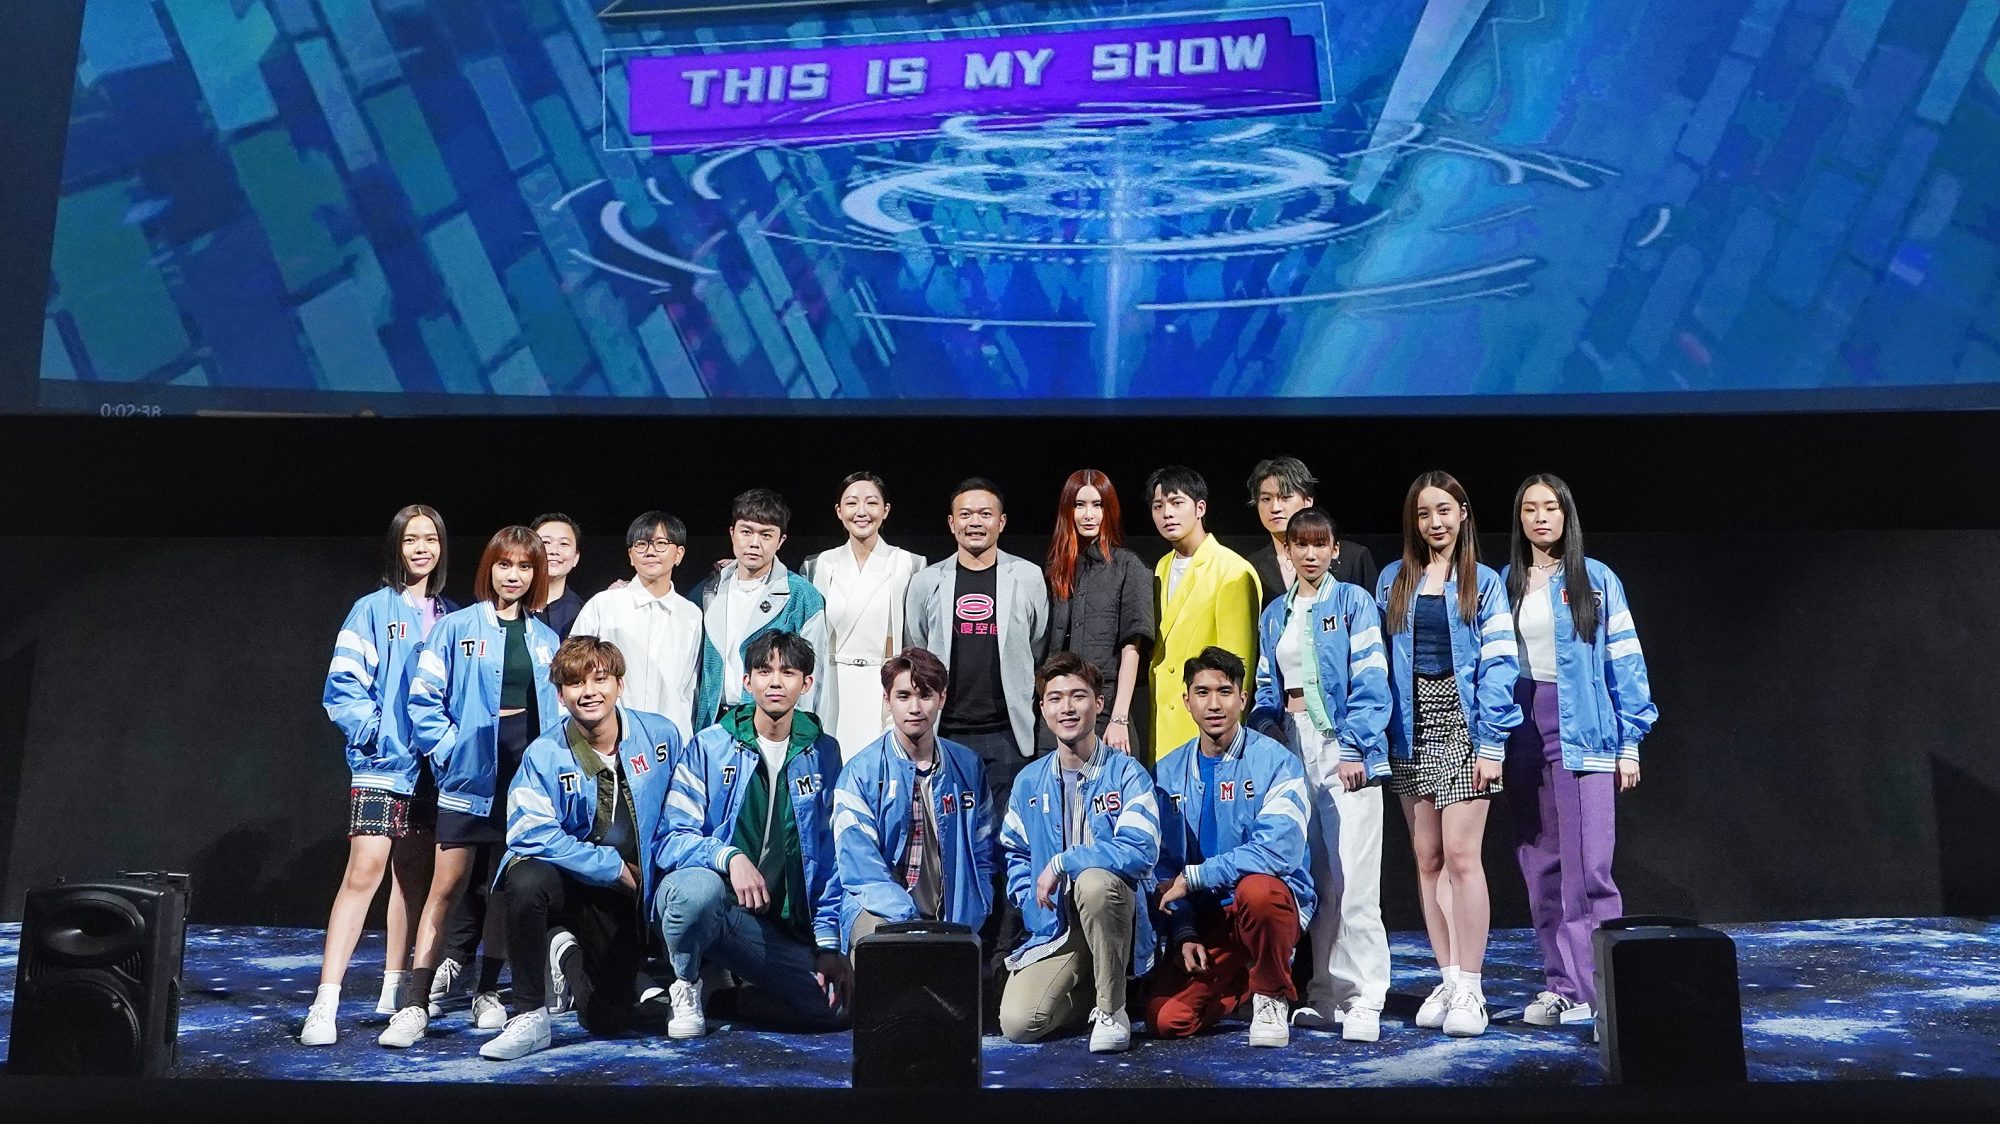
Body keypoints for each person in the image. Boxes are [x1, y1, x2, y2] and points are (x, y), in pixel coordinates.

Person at [380, 527, 563, 1048]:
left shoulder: (546, 638)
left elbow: (557, 716)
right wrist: (450, 751)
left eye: (524, 567)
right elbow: (423, 699)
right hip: (469, 771)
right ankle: (414, 1004)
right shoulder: (455, 627)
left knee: (503, 888)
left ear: (536, 575)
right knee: (446, 887)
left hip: (524, 775)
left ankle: (487, 992)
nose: (514, 575)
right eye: (505, 565)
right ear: (490, 568)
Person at [478, 636, 685, 1060]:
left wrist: (654, 872)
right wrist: (612, 867)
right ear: (560, 695)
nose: (589, 692)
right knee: (525, 879)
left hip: (622, 894)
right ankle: (530, 1015)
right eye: (575, 683)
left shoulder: (660, 736)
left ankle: (564, 951)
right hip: (568, 880)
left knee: (607, 1019)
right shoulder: (544, 753)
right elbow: (530, 833)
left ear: (619, 685)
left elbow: (681, 812)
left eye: (600, 680)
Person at [1501, 474, 1658, 1028]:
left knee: (1589, 869)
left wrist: (1629, 742)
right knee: (1541, 865)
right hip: (1524, 729)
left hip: (1585, 731)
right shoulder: (1506, 583)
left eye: (1550, 507)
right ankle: (1562, 987)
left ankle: (1604, 998)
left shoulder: (1596, 579)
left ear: (1566, 515)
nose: (1540, 517)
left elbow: (1624, 659)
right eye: (1529, 509)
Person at [1375, 472, 1522, 1039]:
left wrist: (1492, 742)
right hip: (1410, 730)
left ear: (1462, 513)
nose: (1434, 522)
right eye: (1423, 514)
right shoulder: (1394, 579)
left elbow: (1500, 664)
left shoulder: (1484, 582)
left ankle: (1472, 986)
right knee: (1427, 857)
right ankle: (1448, 975)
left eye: (1443, 510)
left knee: (1462, 856)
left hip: (1464, 727)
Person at [301, 505, 452, 1046]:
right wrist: (378, 735)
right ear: (396, 547)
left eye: (430, 538)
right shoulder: (370, 609)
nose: (421, 548)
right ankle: (325, 1002)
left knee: (413, 875)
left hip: (434, 770)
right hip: (382, 766)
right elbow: (342, 686)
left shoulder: (453, 617)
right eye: (410, 539)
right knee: (364, 871)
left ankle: (395, 987)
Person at [653, 631, 849, 1038]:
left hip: (766, 926)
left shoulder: (824, 753)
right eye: (764, 671)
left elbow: (830, 858)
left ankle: (725, 999)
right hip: (713, 904)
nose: (775, 682)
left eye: (788, 672)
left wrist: (828, 944)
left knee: (831, 1011)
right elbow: (671, 838)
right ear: (747, 682)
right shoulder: (710, 745)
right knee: (696, 893)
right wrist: (729, 857)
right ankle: (686, 983)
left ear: (807, 684)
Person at [1249, 508, 1393, 1043]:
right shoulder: (1275, 614)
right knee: (1317, 879)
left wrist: (1355, 747)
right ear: (1287, 551)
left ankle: (1364, 998)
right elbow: (1266, 688)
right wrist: (1268, 738)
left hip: (1343, 745)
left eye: (1319, 544)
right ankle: (1324, 994)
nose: (1309, 553)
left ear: (1335, 550)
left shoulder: (1354, 602)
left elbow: (1372, 681)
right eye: (1299, 545)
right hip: (1293, 745)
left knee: (1355, 879)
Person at [1148, 647, 1314, 1048]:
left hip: (1264, 908)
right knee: (1166, 1020)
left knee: (1258, 890)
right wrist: (1184, 930)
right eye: (1202, 693)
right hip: (1209, 920)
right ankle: (1240, 983)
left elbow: (1278, 852)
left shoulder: (1278, 762)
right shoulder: (1166, 773)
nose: (1214, 704)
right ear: (1186, 701)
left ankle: (1271, 993)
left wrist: (1197, 876)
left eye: (1224, 692)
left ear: (1243, 698)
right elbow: (1162, 871)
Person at [997, 652, 1160, 1053]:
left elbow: (1140, 850)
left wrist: (1063, 862)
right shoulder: (1029, 781)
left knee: (1092, 882)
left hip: (1115, 916)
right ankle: (1092, 993)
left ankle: (1112, 1010)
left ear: (1099, 704)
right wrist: (1030, 900)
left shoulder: (1127, 773)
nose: (1067, 708)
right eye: (1055, 698)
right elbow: (1014, 853)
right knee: (1019, 1024)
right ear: (1042, 710)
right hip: (1057, 927)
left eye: (1078, 696)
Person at [903, 478, 1050, 809]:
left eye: (985, 514)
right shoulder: (926, 582)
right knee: (947, 831)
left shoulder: (1028, 576)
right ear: (951, 522)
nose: (975, 522)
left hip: (1008, 734)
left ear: (1002, 521)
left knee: (1007, 833)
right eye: (966, 514)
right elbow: (917, 649)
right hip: (945, 731)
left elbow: (1037, 643)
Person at [832, 647, 994, 947]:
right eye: (904, 696)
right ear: (887, 699)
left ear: (942, 698)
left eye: (925, 695)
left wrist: (978, 903)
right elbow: (860, 867)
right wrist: (910, 922)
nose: (915, 707)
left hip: (954, 918)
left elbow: (983, 848)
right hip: (881, 912)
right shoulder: (860, 772)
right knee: (878, 946)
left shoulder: (968, 765)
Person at [803, 472, 925, 760]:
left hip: (883, 684)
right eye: (851, 503)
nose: (861, 511)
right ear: (839, 511)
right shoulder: (819, 565)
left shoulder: (909, 563)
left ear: (886, 510)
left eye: (871, 503)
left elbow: (915, 639)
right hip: (832, 685)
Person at [1146, 465, 1261, 756]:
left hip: (1206, 735)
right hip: (1163, 730)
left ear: (1200, 508)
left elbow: (1237, 669)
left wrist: (1225, 742)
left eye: (1176, 503)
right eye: (1158, 506)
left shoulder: (1233, 571)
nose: (1167, 513)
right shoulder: (1161, 567)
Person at [1043, 469, 1154, 758]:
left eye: (1097, 505)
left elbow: (1132, 648)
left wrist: (1120, 718)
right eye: (1080, 505)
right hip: (1057, 709)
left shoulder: (1128, 566)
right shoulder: (1055, 569)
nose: (1088, 514)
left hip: (1105, 707)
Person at [694, 489, 828, 727]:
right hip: (713, 723)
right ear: (732, 533)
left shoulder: (802, 596)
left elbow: (814, 678)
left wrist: (802, 730)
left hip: (772, 725)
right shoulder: (710, 590)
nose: (754, 543)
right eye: (746, 532)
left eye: (766, 535)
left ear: (781, 541)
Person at [572, 512, 703, 741]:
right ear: (631, 556)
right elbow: (572, 670)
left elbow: (689, 687)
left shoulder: (691, 615)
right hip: (610, 737)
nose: (650, 551)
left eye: (661, 543)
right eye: (641, 544)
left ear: (679, 554)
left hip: (670, 740)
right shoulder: (604, 605)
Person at [1245, 458, 1378, 605]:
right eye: (1266, 499)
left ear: (1308, 501)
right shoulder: (1252, 566)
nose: (1275, 508)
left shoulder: (1354, 558)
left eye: (1285, 497)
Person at [532, 513, 585, 640]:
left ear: (576, 558)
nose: (554, 551)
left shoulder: (584, 613)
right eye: (545, 542)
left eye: (564, 544)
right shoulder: (509, 607)